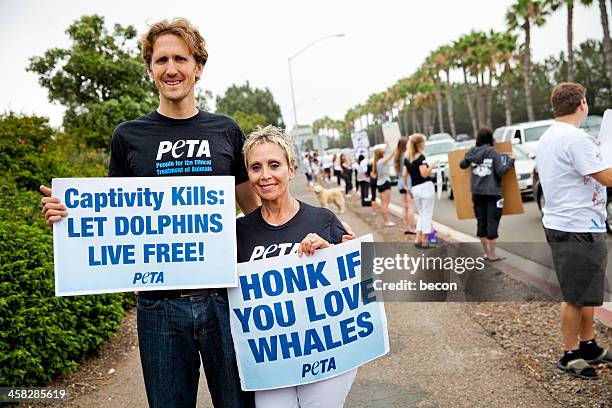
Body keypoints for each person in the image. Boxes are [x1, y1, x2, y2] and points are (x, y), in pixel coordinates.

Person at [40, 18, 263, 408]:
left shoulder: (226, 131)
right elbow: (112, 216)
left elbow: (257, 213)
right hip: (158, 308)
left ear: (199, 66)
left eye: (181, 58)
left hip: (224, 302)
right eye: (161, 60)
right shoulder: (128, 136)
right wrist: (66, 214)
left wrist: (312, 234)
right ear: (149, 69)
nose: (171, 68)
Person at [237, 125, 357, 407]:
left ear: (291, 169)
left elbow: (363, 287)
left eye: (274, 165)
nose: (265, 175)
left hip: (326, 356)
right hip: (271, 361)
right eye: (256, 167)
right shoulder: (238, 233)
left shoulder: (323, 220)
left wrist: (336, 254)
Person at [536, 82, 612, 380]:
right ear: (582, 104)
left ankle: (589, 345)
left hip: (567, 222)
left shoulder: (549, 136)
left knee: (586, 290)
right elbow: (604, 176)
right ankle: (570, 354)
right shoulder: (575, 138)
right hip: (576, 224)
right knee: (575, 294)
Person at [459, 127, 514, 261]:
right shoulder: (494, 152)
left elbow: (462, 165)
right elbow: (501, 171)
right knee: (493, 221)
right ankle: (492, 254)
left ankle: (486, 253)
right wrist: (511, 161)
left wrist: (469, 156)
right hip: (493, 193)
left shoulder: (472, 152)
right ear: (490, 138)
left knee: (481, 222)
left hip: (477, 193)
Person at [406, 134, 437, 248]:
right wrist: (432, 166)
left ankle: (417, 238)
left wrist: (407, 187)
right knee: (427, 214)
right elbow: (424, 174)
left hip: (415, 188)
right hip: (425, 187)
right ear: (420, 144)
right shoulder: (421, 157)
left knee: (421, 214)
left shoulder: (408, 158)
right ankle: (424, 240)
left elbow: (405, 175)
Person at [372, 145, 397, 227]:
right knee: (385, 204)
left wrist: (387, 145)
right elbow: (392, 155)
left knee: (384, 203)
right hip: (385, 183)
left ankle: (386, 221)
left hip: (380, 183)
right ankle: (387, 221)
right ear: (381, 154)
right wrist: (398, 146)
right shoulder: (381, 161)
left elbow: (383, 152)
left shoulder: (377, 161)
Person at [396, 137, 416, 235]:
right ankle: (411, 228)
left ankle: (406, 227)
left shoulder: (398, 156)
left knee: (404, 206)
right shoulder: (407, 156)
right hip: (408, 181)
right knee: (410, 206)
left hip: (400, 181)